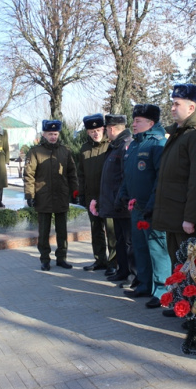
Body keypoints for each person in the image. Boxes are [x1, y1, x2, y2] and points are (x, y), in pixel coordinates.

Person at [152, 83, 196, 312]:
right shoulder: (180, 134)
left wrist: (190, 217)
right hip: (174, 217)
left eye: (177, 104)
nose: (172, 108)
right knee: (180, 266)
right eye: (172, 103)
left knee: (193, 268)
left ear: (191, 107)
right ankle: (183, 306)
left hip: (185, 219)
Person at [117, 104, 170, 308]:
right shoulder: (135, 145)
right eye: (134, 120)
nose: (134, 124)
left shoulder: (158, 144)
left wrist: (152, 204)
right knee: (140, 248)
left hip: (151, 208)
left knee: (157, 250)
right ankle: (145, 284)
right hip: (136, 208)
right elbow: (128, 175)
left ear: (151, 123)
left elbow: (160, 178)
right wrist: (123, 194)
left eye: (138, 121)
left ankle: (162, 291)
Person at [24, 120, 79, 271]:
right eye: (50, 134)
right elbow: (29, 175)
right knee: (44, 231)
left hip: (61, 195)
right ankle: (45, 259)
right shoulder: (35, 152)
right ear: (44, 134)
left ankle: (62, 257)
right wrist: (30, 194)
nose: (53, 137)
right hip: (43, 197)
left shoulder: (65, 151)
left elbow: (72, 174)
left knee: (62, 230)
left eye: (55, 134)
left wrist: (75, 192)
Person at [95, 114, 135, 283]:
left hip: (122, 205)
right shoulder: (115, 146)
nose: (105, 132)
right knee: (119, 240)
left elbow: (126, 177)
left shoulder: (125, 145)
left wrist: (120, 199)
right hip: (115, 204)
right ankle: (122, 271)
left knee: (127, 242)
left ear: (111, 129)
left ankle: (132, 274)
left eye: (105, 129)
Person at [78, 113, 117, 276]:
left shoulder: (110, 146)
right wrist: (81, 194)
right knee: (96, 230)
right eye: (92, 131)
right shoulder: (84, 149)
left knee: (111, 230)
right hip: (91, 196)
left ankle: (113, 262)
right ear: (88, 132)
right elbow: (80, 173)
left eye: (98, 130)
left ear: (103, 129)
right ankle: (99, 259)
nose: (95, 133)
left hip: (107, 196)